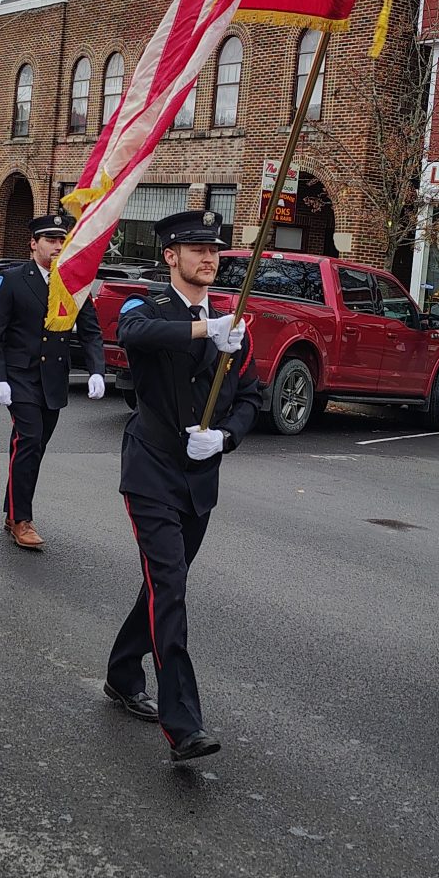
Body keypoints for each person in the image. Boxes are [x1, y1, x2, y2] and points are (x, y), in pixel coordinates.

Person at [103, 208, 262, 761]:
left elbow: (250, 398)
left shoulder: (234, 323)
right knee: (170, 588)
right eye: (196, 249)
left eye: (214, 249)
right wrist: (205, 329)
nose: (209, 258)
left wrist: (225, 439)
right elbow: (133, 333)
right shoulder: (149, 307)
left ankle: (123, 671)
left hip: (200, 477)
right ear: (170, 255)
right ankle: (183, 724)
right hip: (151, 470)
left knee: (160, 586)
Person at [0, 213, 107, 549]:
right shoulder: (12, 279)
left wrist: (97, 368)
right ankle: (22, 519)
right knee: (29, 439)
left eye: (61, 240)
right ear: (33, 243)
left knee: (33, 448)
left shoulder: (72, 282)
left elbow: (92, 330)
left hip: (52, 378)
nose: (56, 246)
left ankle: (12, 512)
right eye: (50, 240)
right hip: (19, 377)